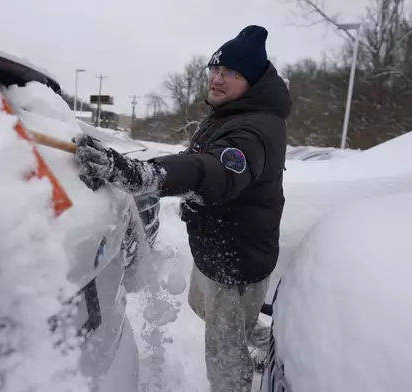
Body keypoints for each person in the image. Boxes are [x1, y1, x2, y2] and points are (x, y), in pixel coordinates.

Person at [74, 25, 291, 392]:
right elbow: (200, 159)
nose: (218, 80)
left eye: (231, 73)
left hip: (237, 261)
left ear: (251, 80)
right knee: (201, 304)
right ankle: (254, 332)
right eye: (216, 70)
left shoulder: (255, 129)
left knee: (224, 359)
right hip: (218, 251)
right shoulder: (233, 113)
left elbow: (218, 169)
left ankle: (238, 374)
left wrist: (147, 174)